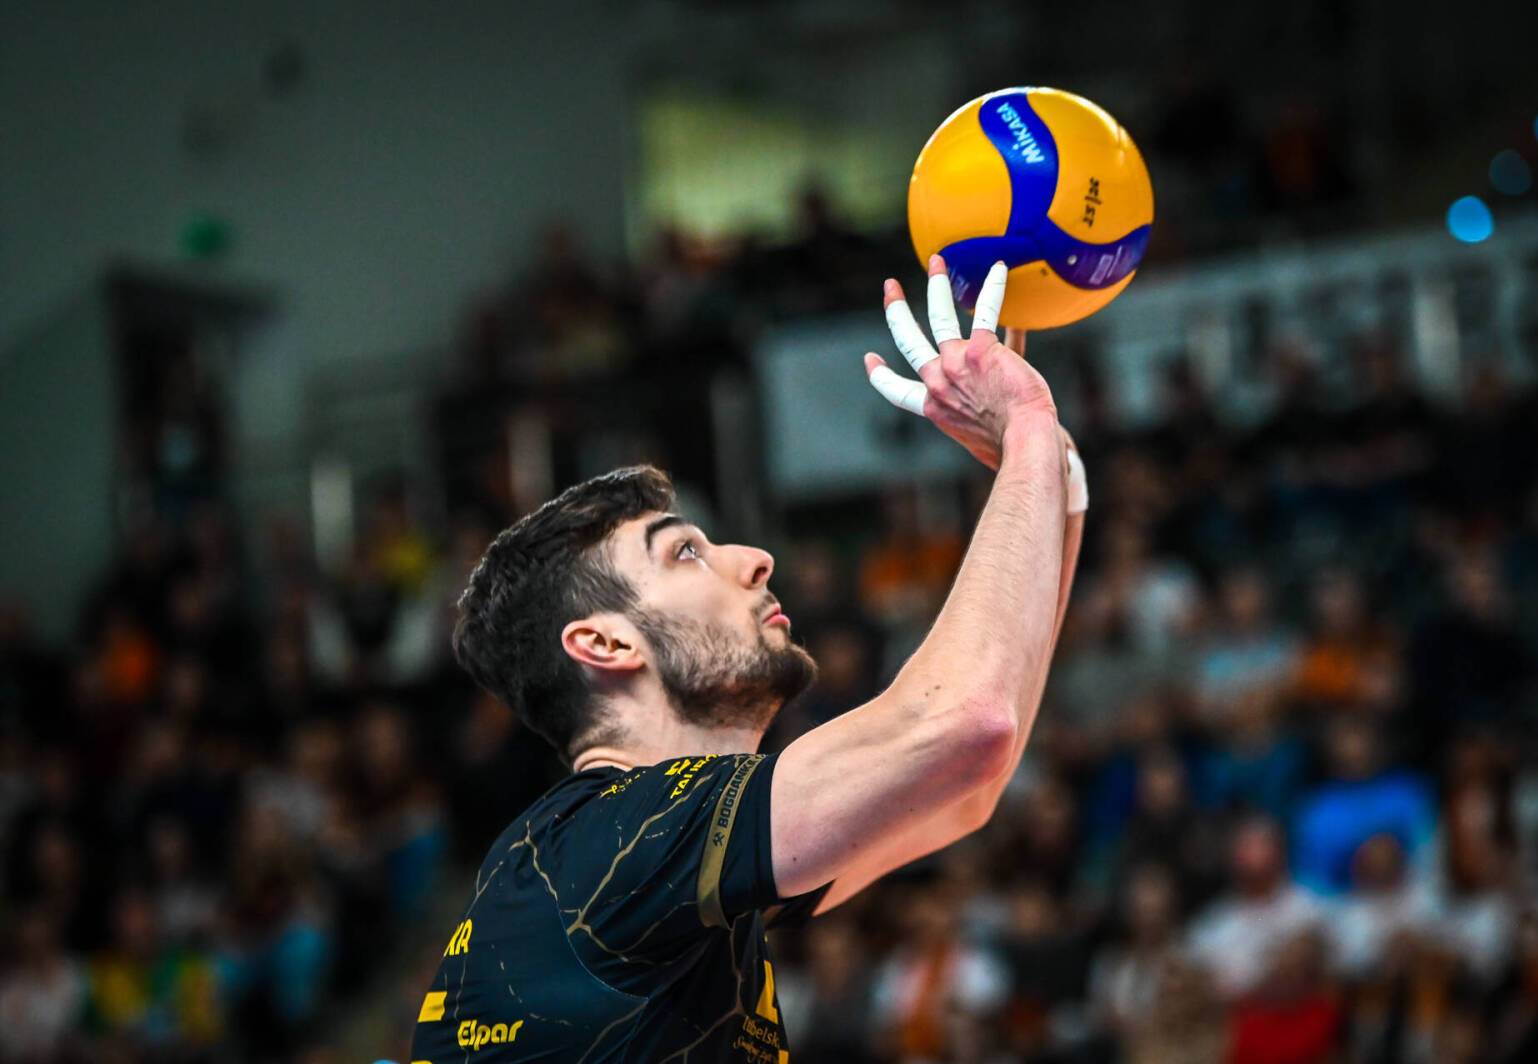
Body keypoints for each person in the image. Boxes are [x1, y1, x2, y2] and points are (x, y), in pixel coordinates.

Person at [409, 255, 1088, 1063]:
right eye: (685, 553)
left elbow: (962, 793)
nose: (755, 559)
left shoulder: (648, 868)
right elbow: (963, 723)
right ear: (605, 643)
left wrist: (1051, 474)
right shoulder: (605, 841)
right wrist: (1026, 426)